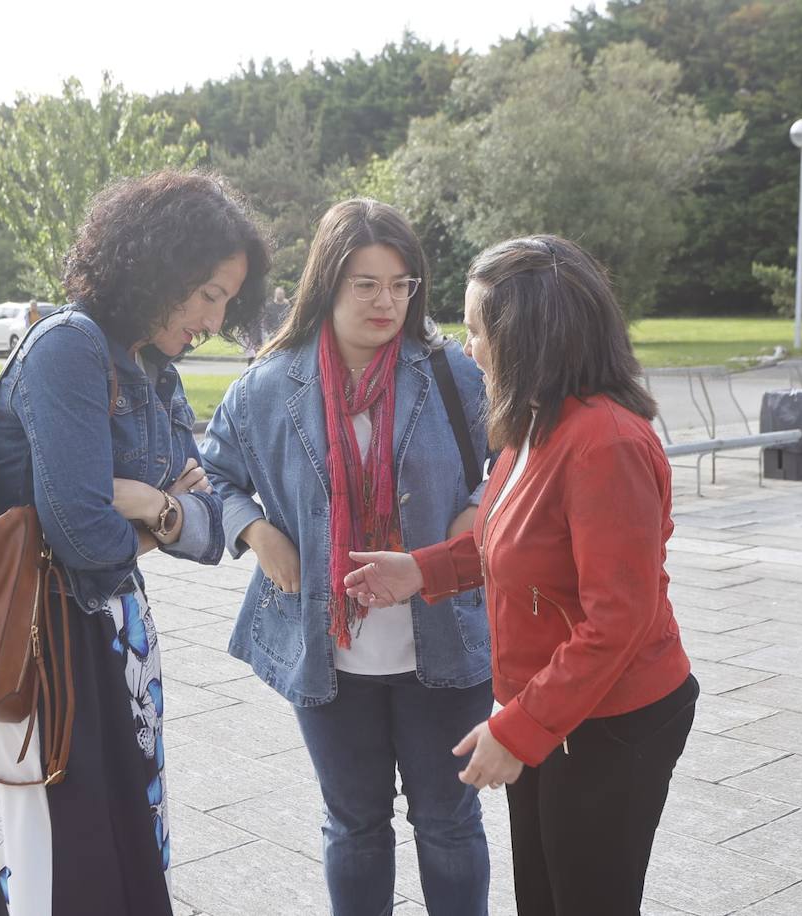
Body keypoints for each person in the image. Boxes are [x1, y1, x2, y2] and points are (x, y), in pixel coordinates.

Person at [346, 235, 697, 916]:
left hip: (611, 722)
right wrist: (420, 571)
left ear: (532, 337)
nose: (467, 346)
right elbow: (506, 539)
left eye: (478, 330)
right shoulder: (539, 421)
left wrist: (520, 728)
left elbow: (616, 620)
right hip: (557, 711)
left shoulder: (606, 444)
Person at [0, 170, 270, 916]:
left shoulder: (148, 366)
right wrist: (166, 510)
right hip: (36, 644)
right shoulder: (68, 350)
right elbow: (85, 536)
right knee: (57, 862)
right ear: (156, 268)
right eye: (206, 294)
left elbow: (205, 527)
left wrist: (148, 507)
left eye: (227, 300)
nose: (212, 317)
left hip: (114, 634)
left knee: (122, 842)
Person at [201, 199, 493, 916]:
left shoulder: (451, 373)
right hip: (328, 652)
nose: (387, 301)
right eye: (366, 284)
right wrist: (256, 534)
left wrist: (478, 509)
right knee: (355, 827)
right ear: (328, 284)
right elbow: (210, 471)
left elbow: (515, 457)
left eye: (401, 284)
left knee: (449, 824)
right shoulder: (270, 387)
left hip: (444, 641)